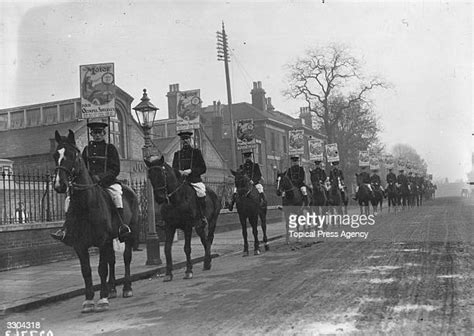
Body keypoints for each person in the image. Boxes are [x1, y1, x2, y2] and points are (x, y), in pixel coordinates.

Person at [51, 119, 131, 242]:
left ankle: (121, 227)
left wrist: (100, 178)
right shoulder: (87, 149)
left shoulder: (110, 149)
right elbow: (81, 168)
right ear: (91, 134)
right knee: (68, 200)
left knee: (117, 195)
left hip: (107, 183)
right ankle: (65, 229)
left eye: (99, 132)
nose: (97, 135)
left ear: (104, 133)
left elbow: (115, 169)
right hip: (89, 184)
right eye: (94, 133)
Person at [172, 131, 208, 229]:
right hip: (181, 182)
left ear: (190, 140)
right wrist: (179, 172)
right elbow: (173, 169)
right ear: (181, 141)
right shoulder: (177, 154)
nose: (185, 141)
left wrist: (191, 171)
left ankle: (202, 216)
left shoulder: (196, 152)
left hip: (194, 180)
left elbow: (203, 168)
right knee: (170, 194)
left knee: (201, 193)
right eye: (183, 139)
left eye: (187, 139)